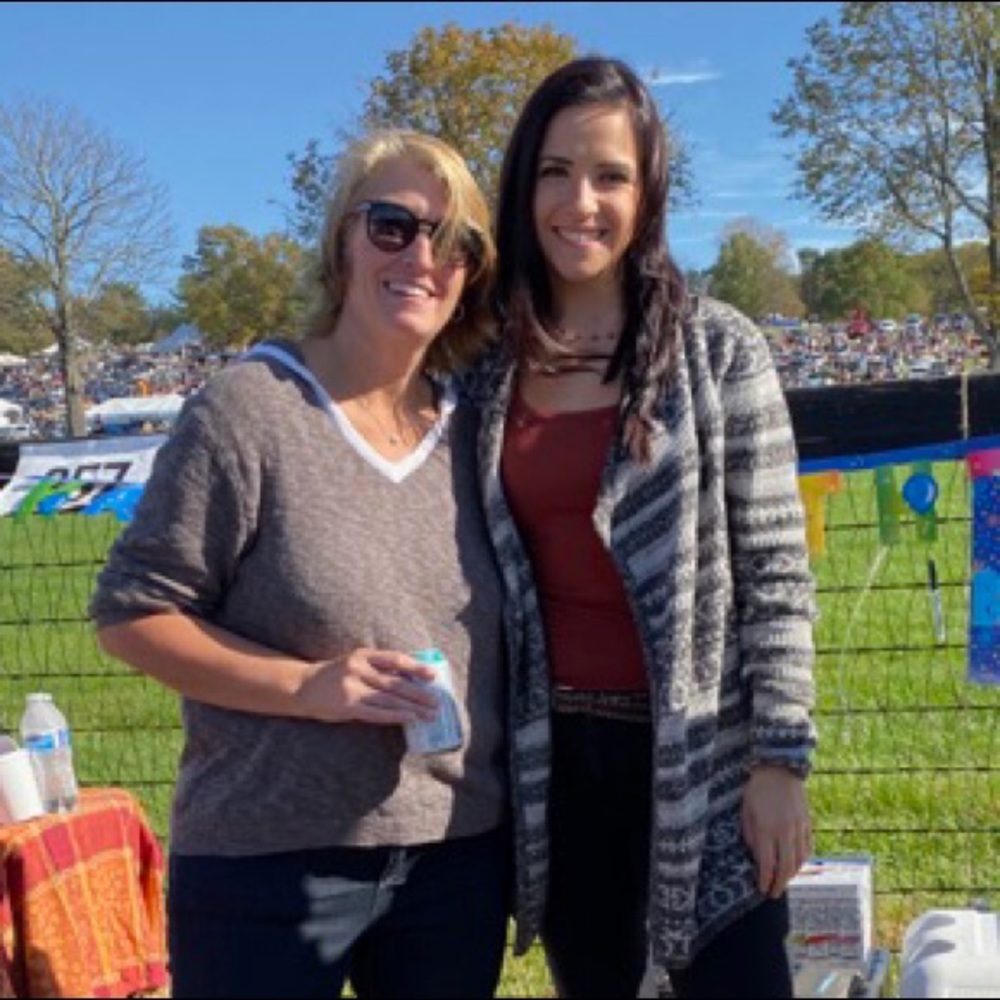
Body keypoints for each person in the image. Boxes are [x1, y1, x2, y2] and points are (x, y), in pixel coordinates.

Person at [89, 130, 511, 1000]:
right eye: (392, 225)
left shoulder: (477, 432)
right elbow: (132, 615)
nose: (421, 257)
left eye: (453, 240)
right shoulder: (250, 409)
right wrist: (306, 687)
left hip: (453, 856)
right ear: (342, 242)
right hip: (266, 859)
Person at [468, 56, 817, 998]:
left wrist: (781, 762)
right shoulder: (485, 366)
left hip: (708, 758)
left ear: (648, 192)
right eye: (555, 171)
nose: (580, 201)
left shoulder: (719, 349)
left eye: (610, 175)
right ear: (523, 186)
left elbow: (777, 574)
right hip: (555, 766)